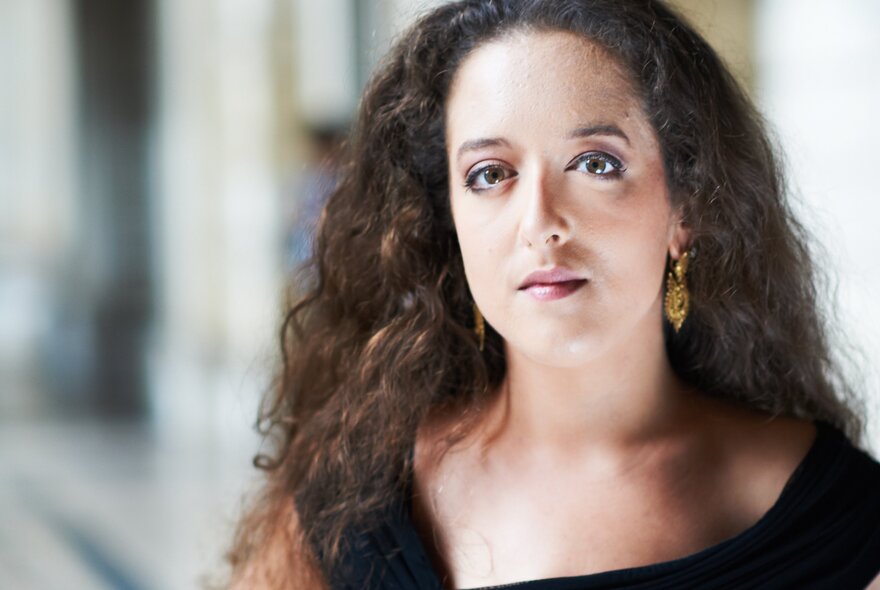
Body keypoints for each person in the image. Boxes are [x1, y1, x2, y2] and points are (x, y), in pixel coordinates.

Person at [224, 1, 880, 588]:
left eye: (596, 163)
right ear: (446, 220)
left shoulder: (840, 520)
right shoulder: (356, 501)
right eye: (490, 174)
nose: (539, 222)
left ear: (686, 207)